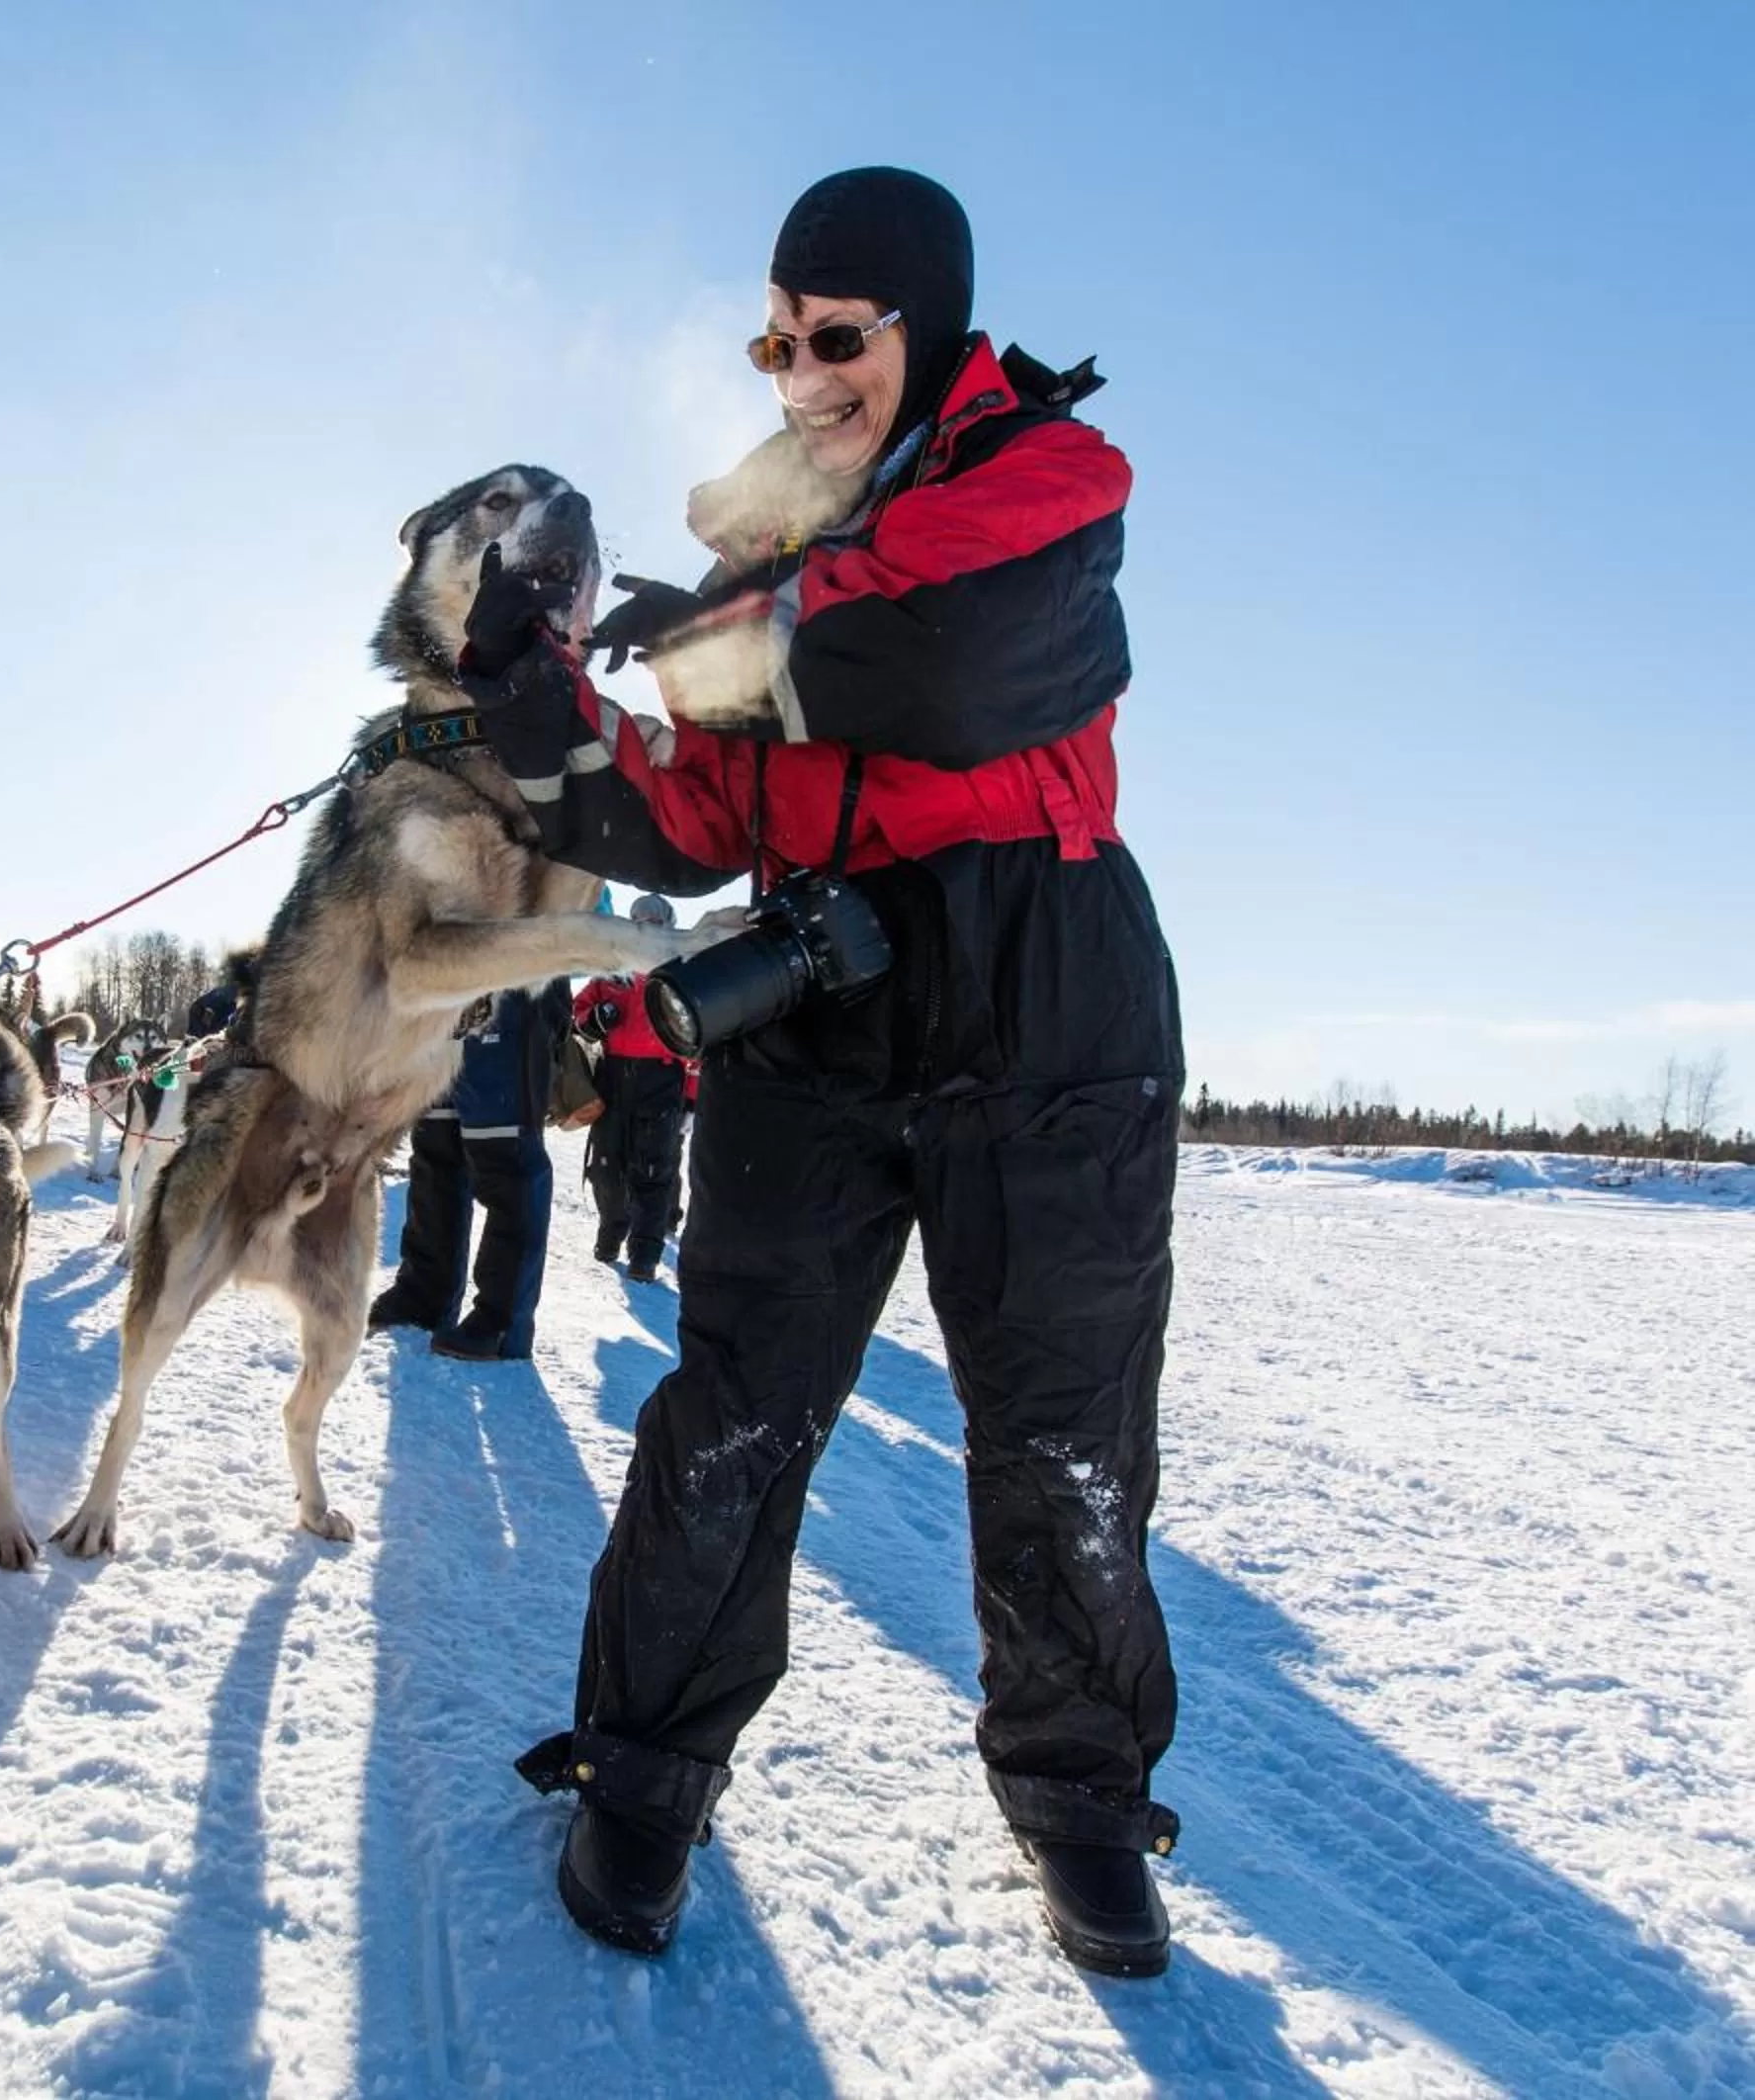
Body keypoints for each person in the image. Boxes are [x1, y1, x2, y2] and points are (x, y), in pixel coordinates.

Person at [468, 168, 1185, 1974]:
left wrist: (717, 646)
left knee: (1060, 1426)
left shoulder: (1047, 482)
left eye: (839, 335)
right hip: (816, 978)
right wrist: (559, 730)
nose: (802, 371)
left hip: (1047, 979)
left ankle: (1081, 1794)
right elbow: (696, 819)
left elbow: (938, 664)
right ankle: (644, 1768)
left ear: (924, 329)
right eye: (777, 338)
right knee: (736, 1404)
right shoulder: (756, 560)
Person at [369, 980, 570, 1361]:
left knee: (506, 1159)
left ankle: (502, 1321)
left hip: (515, 985)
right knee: (435, 1153)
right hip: (444, 992)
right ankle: (424, 1296)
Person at [573, 894, 694, 1286]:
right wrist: (596, 1019)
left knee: (653, 1170)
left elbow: (699, 1038)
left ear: (668, 923)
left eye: (655, 920)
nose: (646, 925)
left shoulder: (681, 970)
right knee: (606, 1165)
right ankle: (611, 1232)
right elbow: (578, 1013)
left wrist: (691, 1098)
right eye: (639, 918)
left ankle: (645, 1253)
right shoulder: (613, 968)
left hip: (661, 1081)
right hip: (613, 1078)